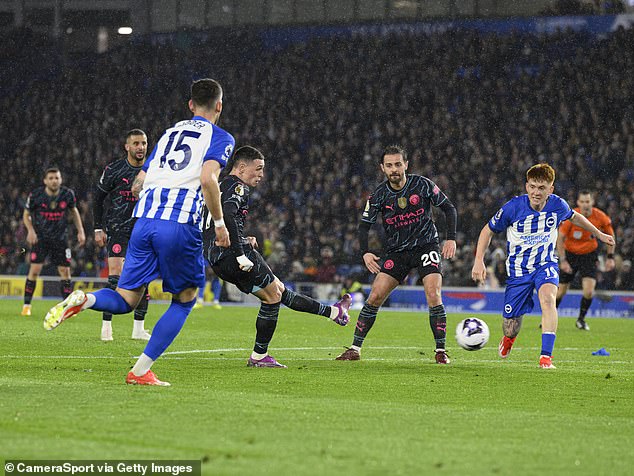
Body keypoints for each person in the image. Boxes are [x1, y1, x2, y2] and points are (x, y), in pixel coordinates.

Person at [43, 78, 234, 386]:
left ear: (190, 105)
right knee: (185, 299)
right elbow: (209, 179)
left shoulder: (169, 134)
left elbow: (138, 183)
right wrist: (220, 223)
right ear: (219, 106)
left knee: (125, 297)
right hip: (179, 223)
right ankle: (141, 370)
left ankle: (86, 299)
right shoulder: (220, 136)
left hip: (143, 222)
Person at [203, 145, 352, 368]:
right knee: (274, 296)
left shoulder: (219, 186)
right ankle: (259, 356)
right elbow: (231, 215)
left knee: (276, 291)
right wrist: (241, 252)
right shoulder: (239, 188)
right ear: (242, 167)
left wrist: (241, 239)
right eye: (259, 169)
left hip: (217, 259)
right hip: (233, 256)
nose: (262, 175)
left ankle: (333, 312)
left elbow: (216, 222)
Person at [471, 164, 615, 369]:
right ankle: (509, 340)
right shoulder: (513, 207)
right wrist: (479, 260)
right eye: (532, 187)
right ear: (526, 186)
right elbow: (487, 230)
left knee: (548, 300)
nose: (536, 192)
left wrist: (599, 234)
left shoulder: (557, 205)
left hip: (545, 264)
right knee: (510, 327)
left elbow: (575, 217)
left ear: (551, 189)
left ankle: (545, 357)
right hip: (518, 271)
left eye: (541, 188)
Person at [335, 145, 457, 364]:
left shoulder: (422, 184)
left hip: (426, 246)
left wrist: (451, 238)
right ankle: (354, 348)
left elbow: (449, 208)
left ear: (406, 165)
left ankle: (440, 351)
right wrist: (365, 253)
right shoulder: (379, 195)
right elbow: (364, 226)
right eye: (389, 165)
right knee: (375, 296)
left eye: (398, 164)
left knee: (433, 293)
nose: (394, 169)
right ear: (382, 168)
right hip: (397, 252)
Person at [93, 129, 152, 341]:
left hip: (144, 230)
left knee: (143, 277)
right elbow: (98, 198)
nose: (141, 147)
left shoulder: (153, 170)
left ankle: (138, 328)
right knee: (115, 276)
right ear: (127, 146)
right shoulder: (115, 169)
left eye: (144, 143)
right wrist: (98, 228)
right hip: (118, 228)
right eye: (136, 143)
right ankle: (106, 326)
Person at [21, 167, 86, 316]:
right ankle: (26, 306)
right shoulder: (36, 195)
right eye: (51, 178)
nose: (54, 181)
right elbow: (26, 215)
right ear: (45, 181)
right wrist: (30, 230)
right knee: (35, 270)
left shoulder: (67, 194)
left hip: (60, 238)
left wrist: (80, 230)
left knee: (65, 271)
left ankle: (68, 308)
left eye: (56, 178)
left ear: (60, 179)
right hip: (41, 238)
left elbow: (74, 211)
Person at [556, 190, 616, 331]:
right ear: (578, 203)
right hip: (570, 255)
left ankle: (581, 320)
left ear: (592, 202)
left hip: (589, 256)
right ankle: (548, 317)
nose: (585, 205)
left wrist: (610, 257)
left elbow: (611, 237)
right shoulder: (571, 216)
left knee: (589, 292)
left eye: (587, 201)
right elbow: (560, 238)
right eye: (582, 202)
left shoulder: (601, 217)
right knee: (560, 292)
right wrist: (563, 260)